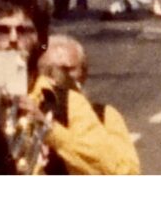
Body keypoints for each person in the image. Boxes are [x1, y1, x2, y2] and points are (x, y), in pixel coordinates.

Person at [0, 0, 140, 175]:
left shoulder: (67, 104)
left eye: (24, 30)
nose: (13, 39)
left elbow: (120, 173)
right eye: (3, 30)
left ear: (42, 41)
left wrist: (50, 131)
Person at [35, 35, 140, 175]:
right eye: (49, 70)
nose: (59, 76)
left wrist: (55, 135)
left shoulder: (104, 116)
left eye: (67, 70)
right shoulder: (29, 111)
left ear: (84, 73)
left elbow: (128, 173)